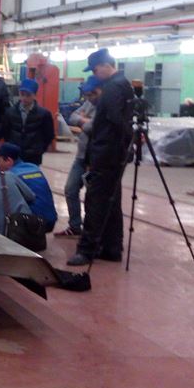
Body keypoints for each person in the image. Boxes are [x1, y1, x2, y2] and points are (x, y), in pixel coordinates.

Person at [67, 49, 135, 266]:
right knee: (111, 202)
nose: (95, 74)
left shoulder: (113, 87)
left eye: (95, 70)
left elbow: (114, 120)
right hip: (114, 153)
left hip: (106, 153)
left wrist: (125, 141)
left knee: (95, 201)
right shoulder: (123, 84)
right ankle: (112, 248)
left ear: (106, 65)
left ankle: (86, 250)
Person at [59, 75, 102, 237]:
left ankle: (93, 231)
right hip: (81, 156)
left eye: (91, 94)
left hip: (96, 159)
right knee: (70, 189)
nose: (89, 98)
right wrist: (85, 120)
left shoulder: (105, 105)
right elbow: (72, 117)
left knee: (93, 197)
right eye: (87, 95)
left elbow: (92, 127)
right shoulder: (89, 103)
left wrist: (83, 121)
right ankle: (75, 226)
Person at [0, 143, 57, 232]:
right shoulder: (34, 167)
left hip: (34, 223)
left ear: (9, 160)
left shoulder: (10, 176)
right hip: (51, 220)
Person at [0, 78, 55, 165]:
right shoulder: (10, 112)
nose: (24, 98)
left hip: (34, 156)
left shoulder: (44, 114)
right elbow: (5, 131)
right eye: (22, 94)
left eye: (28, 95)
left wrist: (39, 149)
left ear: (34, 95)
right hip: (14, 155)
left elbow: (49, 135)